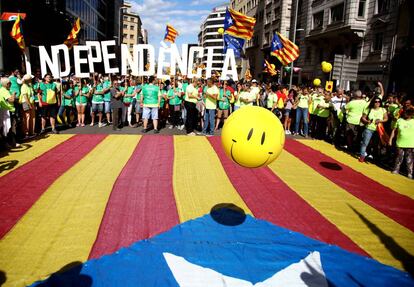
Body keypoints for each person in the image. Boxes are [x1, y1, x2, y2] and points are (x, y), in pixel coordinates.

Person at [359, 96, 388, 162]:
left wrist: (380, 121)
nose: (377, 103)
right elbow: (363, 117)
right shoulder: (369, 109)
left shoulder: (383, 110)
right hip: (369, 128)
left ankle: (374, 157)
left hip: (378, 130)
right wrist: (367, 121)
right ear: (373, 102)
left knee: (376, 144)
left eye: (379, 102)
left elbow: (386, 119)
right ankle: (362, 156)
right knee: (365, 143)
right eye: (376, 101)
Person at [389, 107, 414, 179]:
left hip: (411, 143)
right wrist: (390, 139)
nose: (407, 114)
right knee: (398, 157)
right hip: (400, 142)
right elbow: (394, 131)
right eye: (406, 112)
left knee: (409, 159)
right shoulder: (399, 120)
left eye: (409, 113)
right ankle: (396, 170)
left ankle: (410, 173)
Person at [0, 77, 18, 147]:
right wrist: (13, 94)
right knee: (10, 127)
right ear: (7, 84)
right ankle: (11, 143)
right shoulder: (5, 91)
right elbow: (11, 100)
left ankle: (8, 143)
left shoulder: (1, 90)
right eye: (10, 83)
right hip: (8, 111)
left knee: (5, 127)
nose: (10, 84)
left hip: (4, 110)